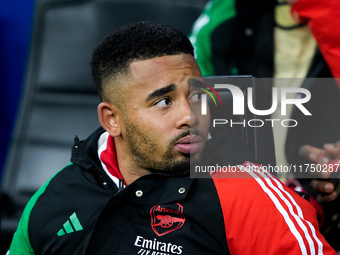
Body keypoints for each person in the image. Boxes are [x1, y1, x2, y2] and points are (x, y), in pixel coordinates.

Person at [7, 21, 336, 254]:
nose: (191, 116)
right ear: (112, 119)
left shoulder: (249, 197)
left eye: (197, 96)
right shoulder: (55, 197)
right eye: (163, 102)